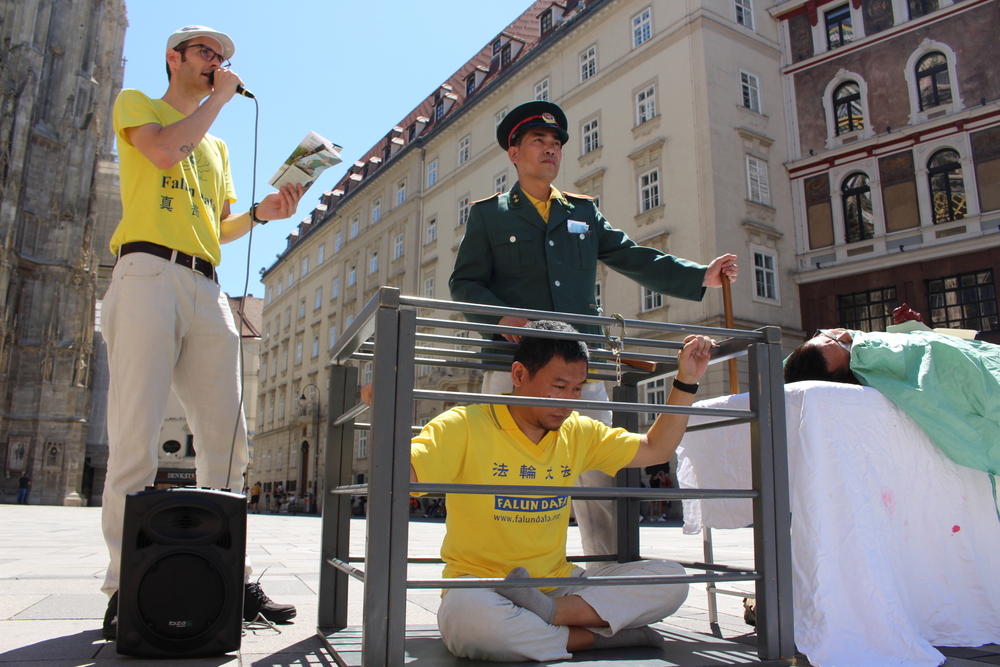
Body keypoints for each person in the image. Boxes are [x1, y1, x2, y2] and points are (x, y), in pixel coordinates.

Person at [449, 100, 738, 558]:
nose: (550, 149)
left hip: (582, 367)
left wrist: (700, 275)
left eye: (556, 143)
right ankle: (501, 568)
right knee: (505, 466)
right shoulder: (491, 215)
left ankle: (607, 569)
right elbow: (464, 283)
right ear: (514, 153)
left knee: (600, 470)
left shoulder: (582, 212)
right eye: (538, 141)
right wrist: (501, 317)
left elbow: (632, 255)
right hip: (514, 365)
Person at [100, 25, 302, 639]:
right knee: (134, 437)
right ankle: (124, 584)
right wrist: (218, 100)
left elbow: (217, 227)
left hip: (206, 283)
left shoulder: (216, 148)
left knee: (229, 439)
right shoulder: (139, 105)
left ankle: (227, 575)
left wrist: (262, 214)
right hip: (146, 271)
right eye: (206, 53)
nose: (217, 62)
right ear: (175, 58)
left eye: (222, 57)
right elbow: (163, 153)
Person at [368, 320, 715, 661]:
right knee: (468, 617)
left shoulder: (577, 431)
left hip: (558, 584)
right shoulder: (464, 424)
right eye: (559, 386)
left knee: (671, 579)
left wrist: (686, 379)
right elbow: (402, 474)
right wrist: (386, 414)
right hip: (482, 586)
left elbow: (656, 449)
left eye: (577, 389)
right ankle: (591, 637)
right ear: (519, 375)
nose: (568, 402)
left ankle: (551, 614)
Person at [784, 319, 1000, 480]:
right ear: (852, 377)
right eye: (843, 344)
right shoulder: (878, 368)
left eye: (826, 335)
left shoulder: (884, 362)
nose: (843, 334)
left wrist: (917, 328)